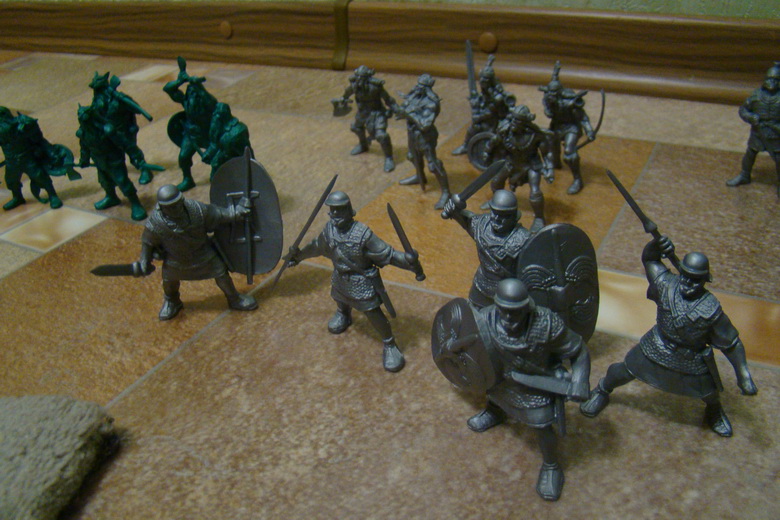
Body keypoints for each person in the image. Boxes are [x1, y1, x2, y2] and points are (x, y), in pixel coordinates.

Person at [580, 236, 758, 437]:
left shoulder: (711, 309)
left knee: (709, 392)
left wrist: (743, 375)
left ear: (705, 280)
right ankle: (602, 389)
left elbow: (731, 344)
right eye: (686, 276)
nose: (688, 283)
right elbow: (650, 261)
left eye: (695, 279)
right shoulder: (666, 285)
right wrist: (656, 246)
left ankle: (714, 411)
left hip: (691, 357)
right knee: (623, 371)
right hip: (657, 344)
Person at [462, 278, 590, 501]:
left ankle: (551, 465)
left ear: (527, 307)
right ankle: (496, 412)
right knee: (493, 392)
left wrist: (580, 381)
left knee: (542, 424)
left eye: (515, 312)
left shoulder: (547, 324)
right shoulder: (485, 319)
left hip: (535, 384)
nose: (509, 318)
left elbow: (579, 351)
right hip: (500, 379)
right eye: (504, 310)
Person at [286, 191, 421, 372]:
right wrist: (298, 256)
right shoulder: (329, 231)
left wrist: (407, 261)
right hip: (340, 276)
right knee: (338, 297)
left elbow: (386, 254)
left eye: (339, 210)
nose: (335, 214)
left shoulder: (362, 234)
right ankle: (343, 314)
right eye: (332, 210)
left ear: (349, 210)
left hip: (361, 280)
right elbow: (316, 246)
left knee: (372, 312)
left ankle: (390, 343)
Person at [139, 185, 258, 320]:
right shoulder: (155, 223)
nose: (175, 209)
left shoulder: (196, 210)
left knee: (221, 274)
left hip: (203, 253)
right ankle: (172, 301)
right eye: (170, 207)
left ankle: (234, 298)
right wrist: (144, 260)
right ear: (161, 207)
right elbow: (147, 242)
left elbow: (218, 214)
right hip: (176, 259)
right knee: (169, 281)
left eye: (177, 205)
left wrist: (236, 213)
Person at [441, 189, 532, 308]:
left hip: (508, 294)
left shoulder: (523, 239)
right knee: (473, 313)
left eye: (503, 216)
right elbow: (467, 220)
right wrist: (453, 210)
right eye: (494, 213)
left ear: (514, 216)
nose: (497, 219)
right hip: (480, 286)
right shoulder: (482, 225)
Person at [483, 105, 553, 232]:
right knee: (496, 182)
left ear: (525, 123)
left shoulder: (535, 135)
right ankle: (495, 201)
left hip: (531, 165)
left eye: (518, 120)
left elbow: (546, 153)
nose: (514, 123)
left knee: (535, 192)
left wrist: (549, 169)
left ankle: (539, 218)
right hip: (511, 162)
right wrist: (486, 152)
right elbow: (494, 141)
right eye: (513, 119)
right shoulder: (505, 132)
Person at [88, 72, 161, 185]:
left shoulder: (119, 99)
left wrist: (123, 100)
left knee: (132, 151)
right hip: (107, 133)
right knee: (114, 156)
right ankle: (118, 176)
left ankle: (144, 169)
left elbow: (136, 109)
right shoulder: (97, 102)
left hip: (123, 130)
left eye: (100, 89)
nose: (98, 92)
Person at [76, 104, 147, 221]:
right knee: (105, 181)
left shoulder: (108, 130)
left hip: (114, 160)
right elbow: (84, 148)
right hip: (99, 160)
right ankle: (111, 197)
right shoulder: (82, 133)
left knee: (122, 181)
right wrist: (84, 160)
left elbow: (125, 143)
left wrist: (136, 156)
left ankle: (136, 203)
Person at [396, 74, 451, 209]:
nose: (418, 87)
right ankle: (419, 176)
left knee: (433, 165)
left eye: (422, 86)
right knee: (412, 156)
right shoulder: (414, 96)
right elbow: (404, 107)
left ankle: (446, 192)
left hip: (426, 137)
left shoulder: (431, 103)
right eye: (418, 84)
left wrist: (409, 114)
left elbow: (425, 125)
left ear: (427, 88)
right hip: (412, 133)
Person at [539, 62, 595, 195]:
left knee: (569, 153)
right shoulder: (548, 100)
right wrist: (549, 104)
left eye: (553, 94)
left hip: (571, 128)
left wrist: (589, 130)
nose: (551, 96)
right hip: (556, 127)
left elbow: (583, 117)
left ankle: (577, 180)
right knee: (550, 149)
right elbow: (549, 114)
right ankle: (555, 164)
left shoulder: (570, 103)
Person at [163, 59, 219, 191]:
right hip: (191, 134)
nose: (191, 95)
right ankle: (188, 179)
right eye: (190, 92)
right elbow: (168, 88)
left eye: (194, 93)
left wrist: (199, 86)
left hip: (208, 134)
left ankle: (219, 179)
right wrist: (180, 81)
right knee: (183, 157)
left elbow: (211, 101)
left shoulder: (207, 104)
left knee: (216, 159)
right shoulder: (186, 101)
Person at [0, 107, 70, 210]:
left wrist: (51, 153)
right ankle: (17, 197)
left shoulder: (22, 124)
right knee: (11, 180)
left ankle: (53, 196)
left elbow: (39, 140)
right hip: (11, 160)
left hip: (27, 158)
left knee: (40, 176)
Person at [333, 65, 399, 172]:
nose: (360, 80)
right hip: (363, 112)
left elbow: (389, 100)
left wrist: (396, 109)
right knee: (356, 127)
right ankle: (363, 145)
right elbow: (346, 94)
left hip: (377, 113)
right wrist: (342, 100)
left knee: (381, 135)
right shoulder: (354, 86)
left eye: (362, 77)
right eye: (358, 77)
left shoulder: (376, 87)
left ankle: (389, 158)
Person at [727, 61, 780, 194]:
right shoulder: (756, 96)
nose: (771, 82)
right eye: (769, 79)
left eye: (775, 80)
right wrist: (750, 117)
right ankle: (745, 175)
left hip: (775, 135)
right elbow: (743, 109)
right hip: (758, 132)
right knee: (750, 153)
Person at [452, 54, 516, 156]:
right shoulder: (485, 93)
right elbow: (483, 103)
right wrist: (476, 101)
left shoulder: (496, 97)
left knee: (477, 127)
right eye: (481, 79)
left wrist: (478, 117)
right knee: (473, 127)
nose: (481, 82)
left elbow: (491, 112)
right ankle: (465, 145)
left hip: (496, 121)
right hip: (487, 119)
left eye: (484, 80)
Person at [201, 102, 253, 180]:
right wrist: (208, 154)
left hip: (235, 162)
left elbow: (246, 153)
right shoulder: (217, 127)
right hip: (222, 160)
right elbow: (214, 143)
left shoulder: (238, 132)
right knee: (215, 176)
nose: (215, 117)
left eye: (217, 114)